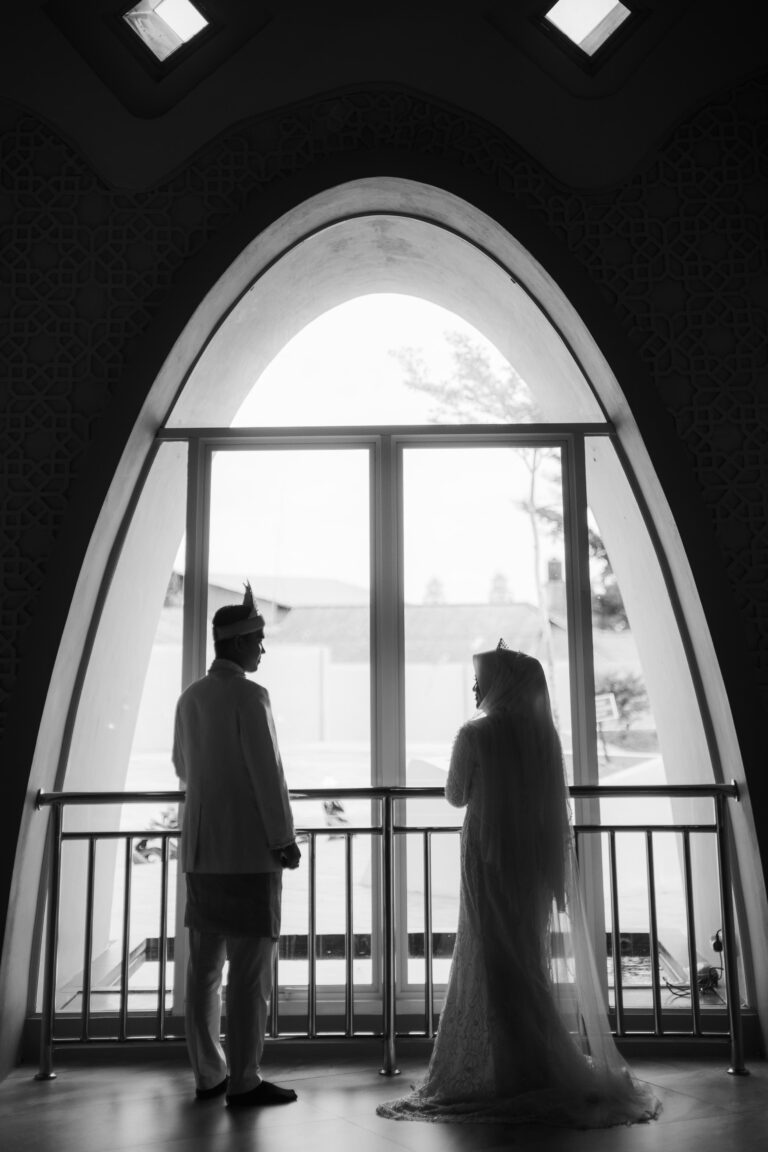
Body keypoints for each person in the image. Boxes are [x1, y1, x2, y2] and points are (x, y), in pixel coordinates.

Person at [377, 642, 660, 1128]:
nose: (475, 689)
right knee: (525, 958)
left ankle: (501, 1069)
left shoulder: (475, 733)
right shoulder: (540, 735)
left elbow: (454, 795)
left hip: (487, 858)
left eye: (480, 681)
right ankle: (534, 1062)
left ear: (499, 684)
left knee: (490, 955)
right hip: (529, 862)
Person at [173, 582, 301, 1107]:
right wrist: (284, 839)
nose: (263, 649)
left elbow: (181, 766)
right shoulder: (251, 697)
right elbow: (268, 775)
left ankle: (209, 1075)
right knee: (249, 975)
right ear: (241, 642)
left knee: (204, 972)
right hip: (249, 854)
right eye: (259, 640)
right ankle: (245, 1079)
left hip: (202, 853)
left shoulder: (190, 698)